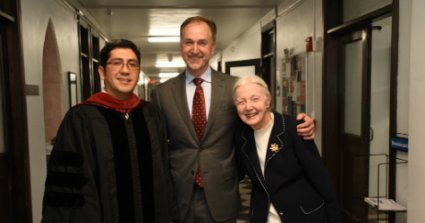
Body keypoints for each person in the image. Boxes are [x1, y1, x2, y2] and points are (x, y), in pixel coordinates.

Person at [150, 16, 315, 223]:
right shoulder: (162, 93)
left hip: (223, 192)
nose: (195, 49)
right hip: (179, 193)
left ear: (212, 46)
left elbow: (259, 115)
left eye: (202, 42)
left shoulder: (233, 87)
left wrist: (297, 124)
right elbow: (156, 144)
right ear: (181, 45)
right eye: (188, 42)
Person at [41, 39, 174, 223]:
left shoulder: (151, 115)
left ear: (137, 72)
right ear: (102, 72)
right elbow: (69, 187)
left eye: (132, 64)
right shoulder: (81, 119)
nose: (125, 70)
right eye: (117, 63)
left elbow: (163, 174)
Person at [232, 75, 341, 223]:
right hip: (264, 216)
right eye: (241, 102)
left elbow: (320, 178)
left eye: (255, 99)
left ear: (268, 101)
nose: (248, 107)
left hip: (302, 216)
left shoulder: (294, 128)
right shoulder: (241, 136)